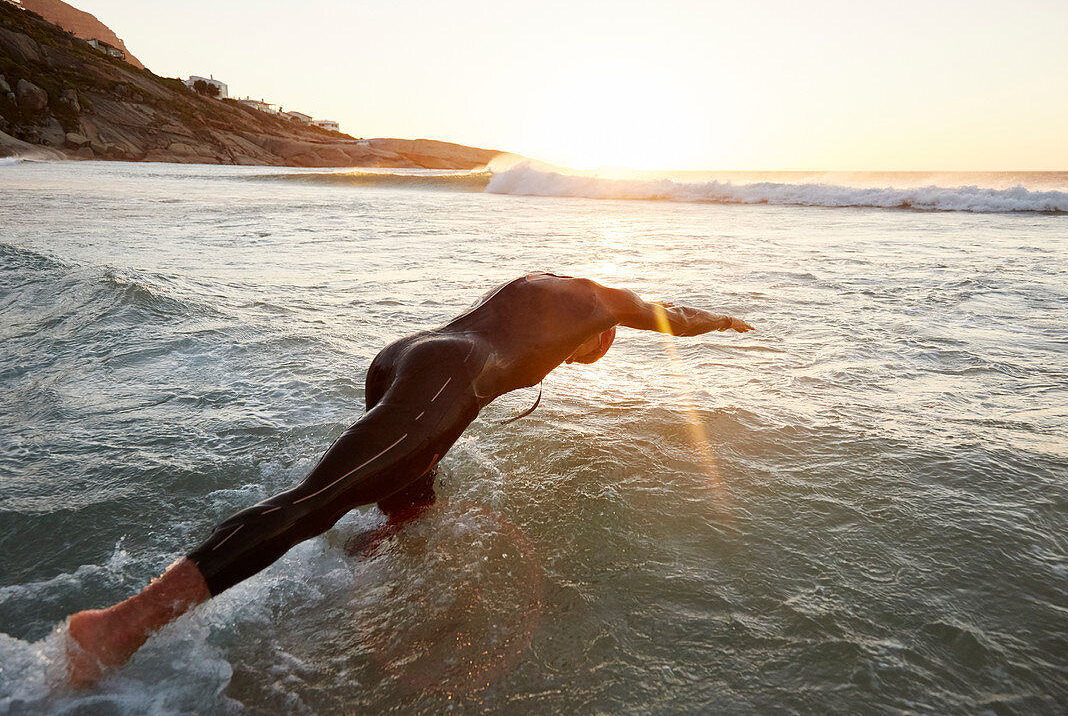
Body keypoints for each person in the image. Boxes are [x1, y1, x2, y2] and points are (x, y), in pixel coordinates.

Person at [63, 272, 754, 686]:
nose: (577, 363)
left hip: (404, 355)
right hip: (442, 379)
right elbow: (676, 318)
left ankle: (376, 553)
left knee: (411, 488)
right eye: (585, 360)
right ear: (601, 337)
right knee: (314, 503)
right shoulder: (607, 303)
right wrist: (722, 320)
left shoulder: (542, 283)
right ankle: (118, 625)